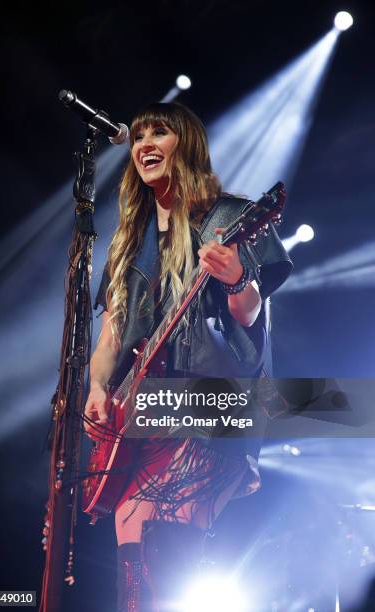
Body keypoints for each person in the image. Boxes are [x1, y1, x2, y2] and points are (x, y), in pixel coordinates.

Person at [84, 102, 292, 611]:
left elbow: (249, 316)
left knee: (160, 524)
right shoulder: (129, 242)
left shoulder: (228, 217)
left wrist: (237, 278)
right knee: (129, 522)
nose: (145, 144)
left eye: (160, 132)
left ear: (188, 144)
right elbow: (111, 335)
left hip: (211, 400)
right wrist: (96, 387)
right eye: (138, 136)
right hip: (148, 411)